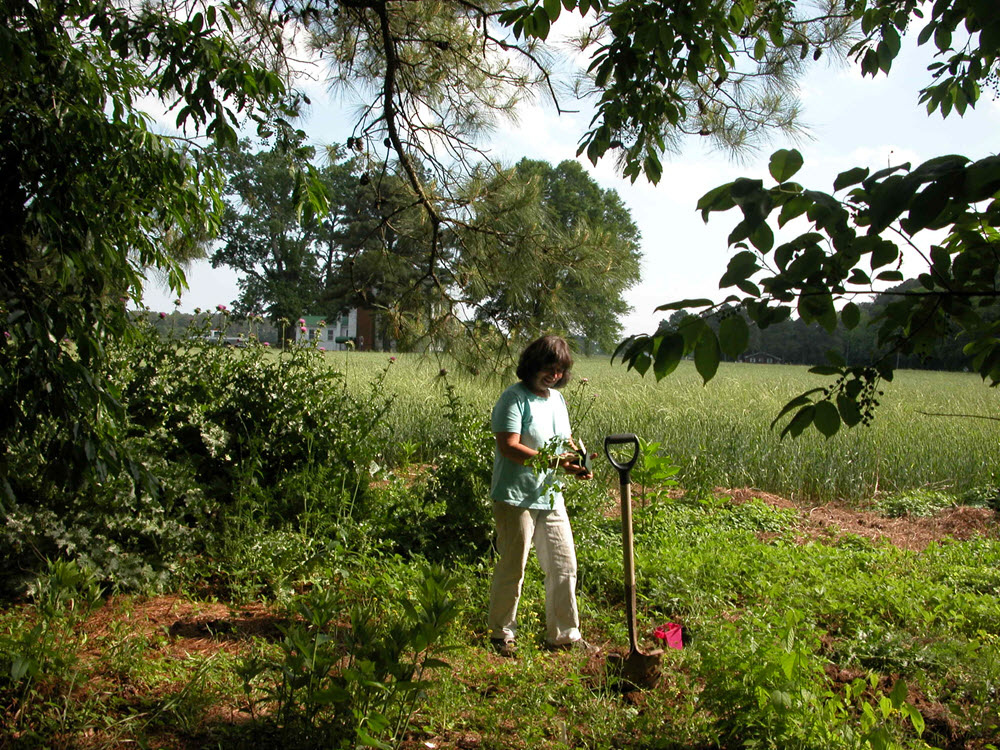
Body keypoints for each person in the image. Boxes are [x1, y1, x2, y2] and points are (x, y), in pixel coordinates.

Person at [487, 335, 597, 658]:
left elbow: (564, 440)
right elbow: (508, 446)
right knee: (513, 566)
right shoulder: (514, 398)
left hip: (550, 496)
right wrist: (554, 462)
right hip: (515, 497)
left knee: (564, 565)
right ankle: (501, 634)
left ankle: (565, 636)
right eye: (550, 368)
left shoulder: (557, 401)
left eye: (561, 370)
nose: (555, 375)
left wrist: (577, 461)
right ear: (534, 364)